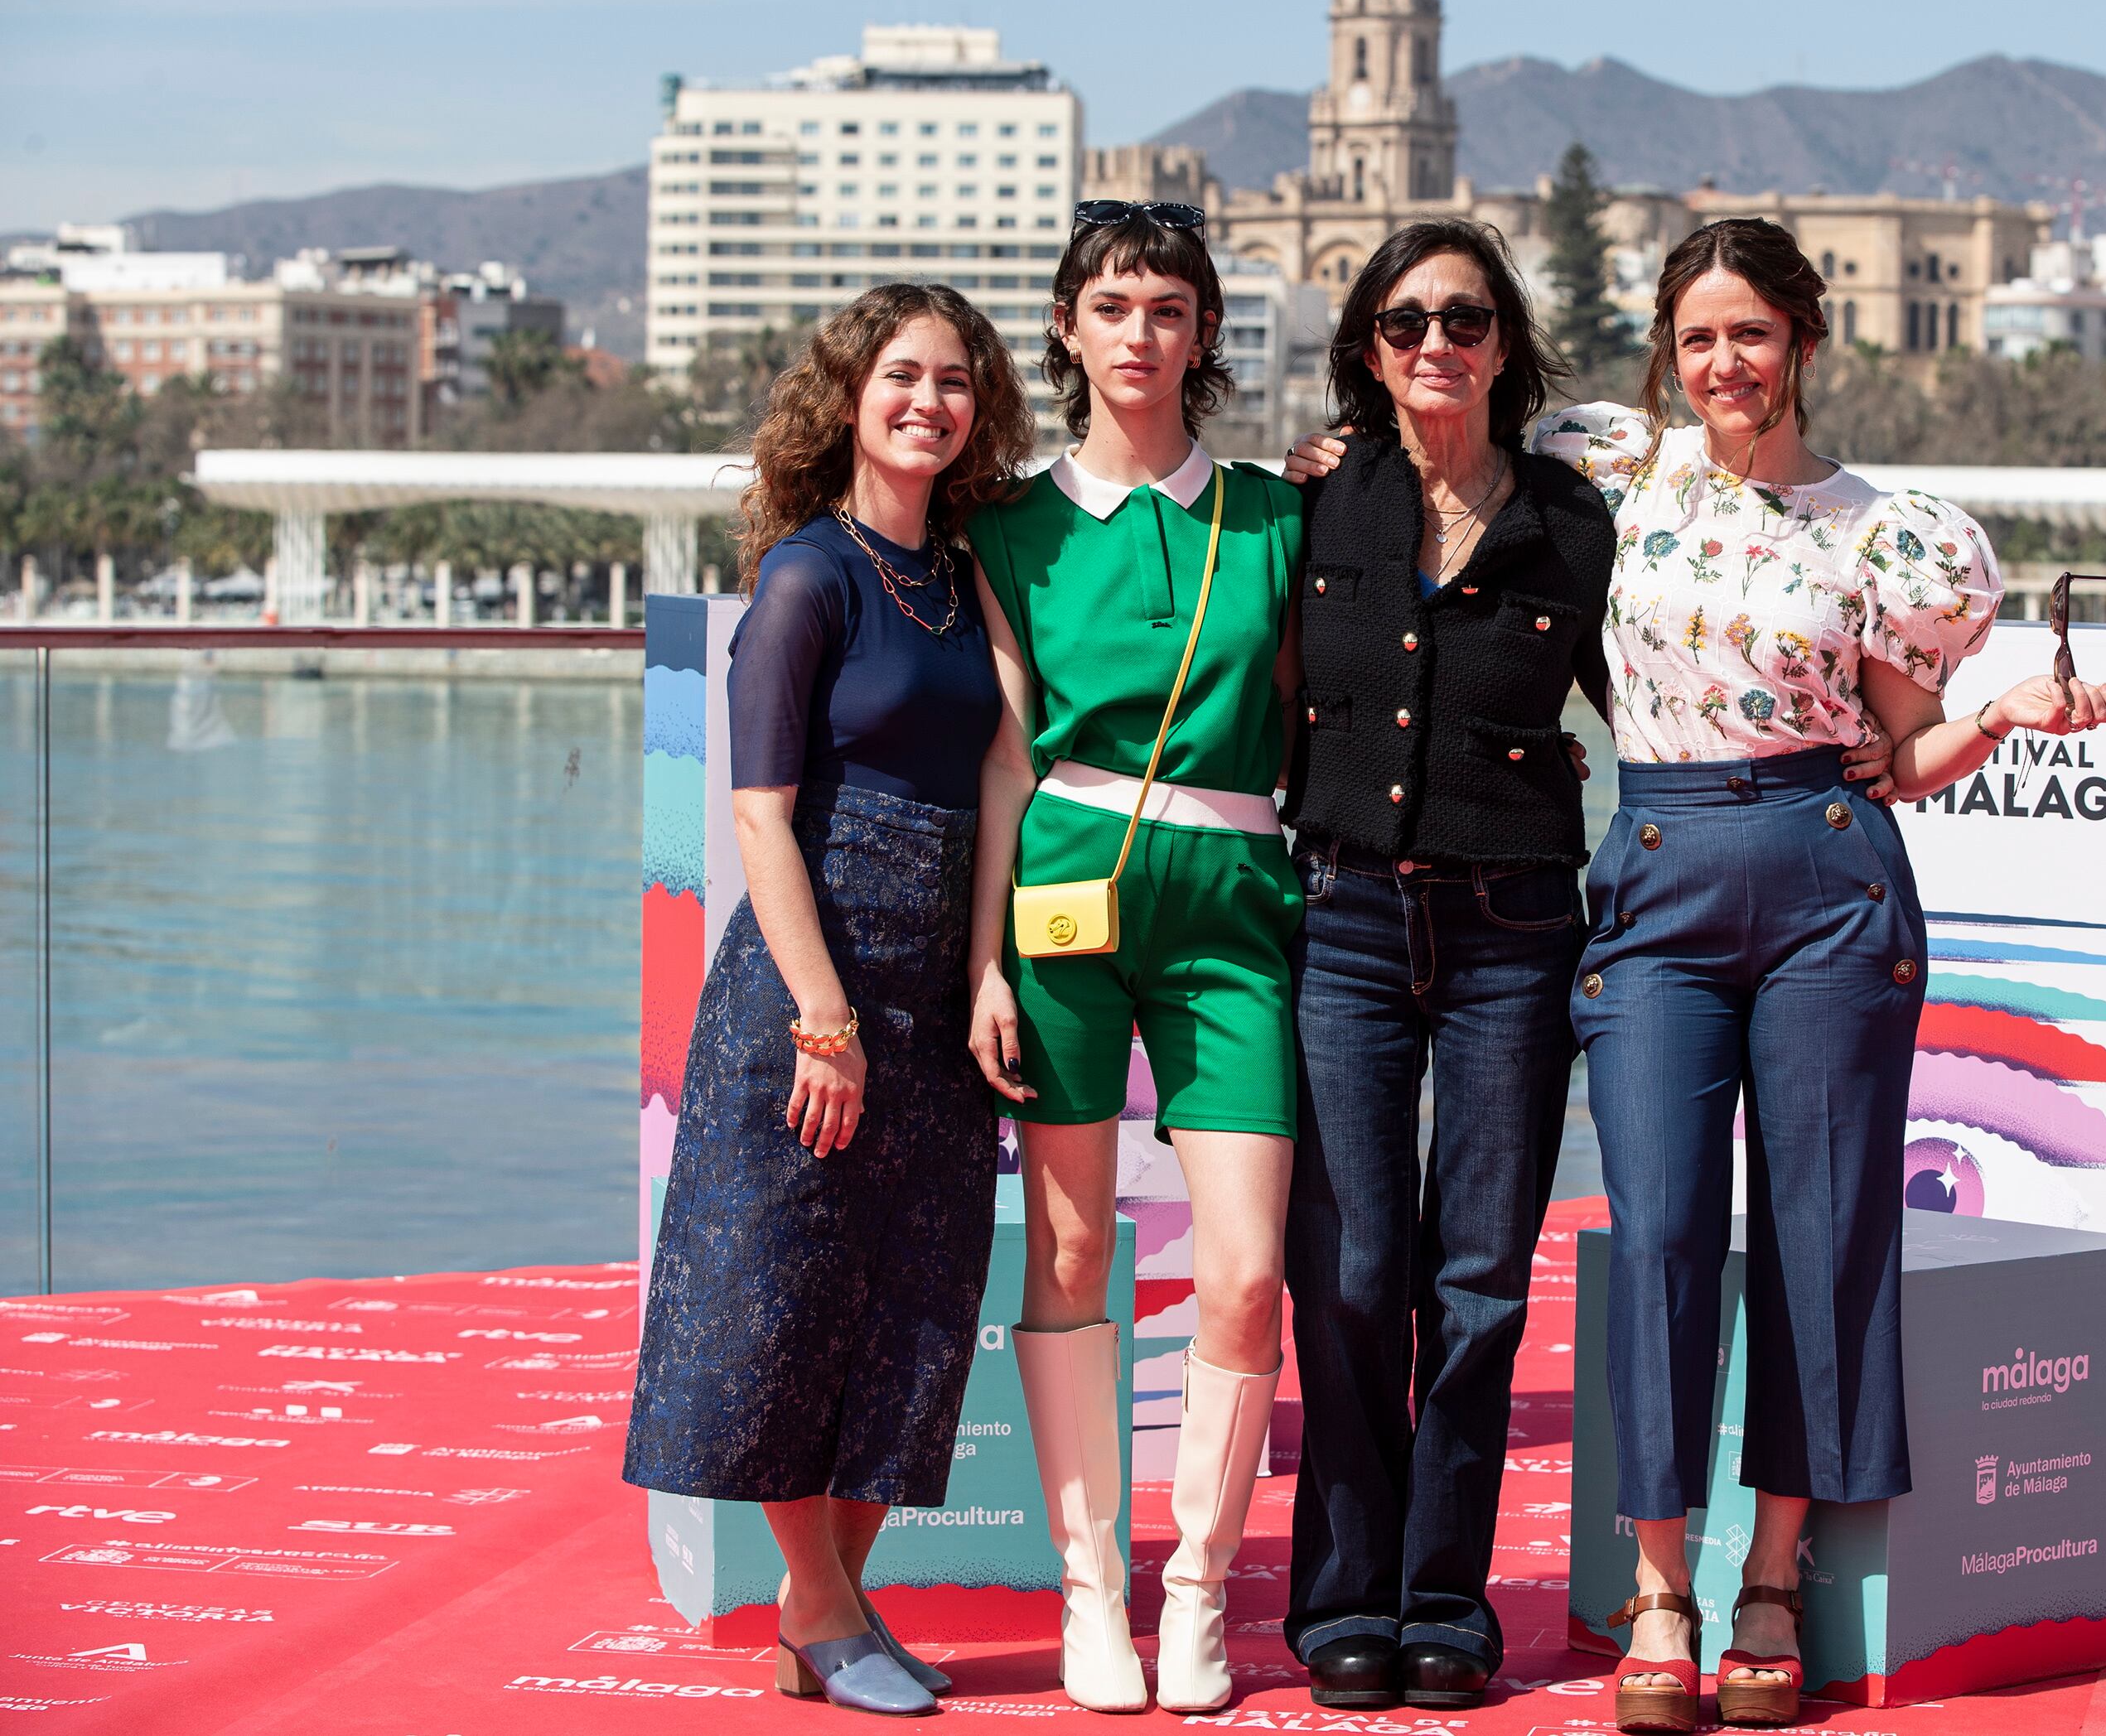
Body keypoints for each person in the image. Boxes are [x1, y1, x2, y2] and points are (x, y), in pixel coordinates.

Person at [1273, 224, 1901, 1714]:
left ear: (1507, 345)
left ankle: (1447, 1600)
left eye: (1469, 318)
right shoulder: (1301, 508)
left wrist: (1858, 742)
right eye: (1409, 318)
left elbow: (1667, 692)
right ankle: (1345, 1593)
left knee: (1483, 1284)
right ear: (1369, 344)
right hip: (1347, 920)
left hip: (1519, 930)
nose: (1440, 342)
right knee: (1355, 1272)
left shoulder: (1580, 516)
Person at [1538, 219, 2106, 1734]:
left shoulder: (1892, 535)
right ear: (1669, 353)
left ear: (1803, 338)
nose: (1722, 363)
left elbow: (1896, 755)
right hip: (1658, 868)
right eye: (1696, 338)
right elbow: (1445, 450)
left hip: (1831, 882)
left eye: (1749, 333)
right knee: (1659, 1220)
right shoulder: (1613, 469)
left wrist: (2003, 717)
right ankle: (1658, 1585)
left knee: (1820, 1228)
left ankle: (1771, 1582)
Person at [625, 283, 1036, 1718]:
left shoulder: (965, 571)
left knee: (919, 1298)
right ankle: (813, 1598)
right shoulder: (810, 575)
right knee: (793, 1296)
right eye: (903, 376)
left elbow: (1004, 777)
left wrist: (985, 965)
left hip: (939, 973)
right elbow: (757, 818)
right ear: (849, 397)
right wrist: (824, 1017)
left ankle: (834, 1609)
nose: (931, 401)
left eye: (957, 380)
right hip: (818, 974)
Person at [964, 200, 1305, 1716]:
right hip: (1060, 906)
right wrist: (982, 961)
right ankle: (1090, 1588)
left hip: (1235, 906)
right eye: (1112, 304)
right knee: (1076, 1253)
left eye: (1169, 307)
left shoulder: (1278, 520)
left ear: (1204, 333)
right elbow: (999, 762)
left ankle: (1199, 1590)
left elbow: (1307, 714)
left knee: (1242, 1274)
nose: (1141, 333)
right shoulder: (1009, 531)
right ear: (1068, 328)